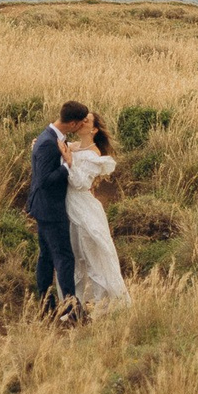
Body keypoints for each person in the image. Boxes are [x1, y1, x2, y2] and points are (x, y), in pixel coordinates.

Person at [24, 100, 89, 318]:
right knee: (63, 256)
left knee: (47, 257)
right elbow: (44, 180)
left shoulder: (53, 139)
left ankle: (46, 304)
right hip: (50, 208)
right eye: (80, 124)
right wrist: (67, 166)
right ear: (72, 123)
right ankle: (70, 308)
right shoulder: (47, 143)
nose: (80, 128)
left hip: (45, 207)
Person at [63, 121, 130, 309]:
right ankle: (74, 304)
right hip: (68, 206)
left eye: (86, 121)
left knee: (93, 254)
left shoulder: (94, 154)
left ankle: (103, 306)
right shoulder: (73, 146)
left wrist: (69, 162)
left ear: (93, 130)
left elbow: (80, 183)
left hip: (84, 207)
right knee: (74, 256)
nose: (81, 122)